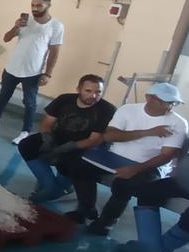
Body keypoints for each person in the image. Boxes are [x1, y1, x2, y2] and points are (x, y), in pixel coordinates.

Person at [68, 83, 188, 235]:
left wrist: (135, 169)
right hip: (115, 155)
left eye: (174, 103)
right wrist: (148, 132)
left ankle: (106, 221)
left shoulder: (179, 123)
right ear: (149, 98)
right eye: (165, 101)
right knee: (79, 168)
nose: (170, 106)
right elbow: (110, 135)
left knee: (124, 184)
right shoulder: (128, 110)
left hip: (149, 164)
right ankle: (86, 208)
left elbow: (166, 156)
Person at [0, 0, 64, 144]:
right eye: (33, 5)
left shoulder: (56, 26)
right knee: (2, 97)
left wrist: (48, 74)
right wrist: (15, 27)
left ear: (48, 5)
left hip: (32, 71)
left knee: (29, 103)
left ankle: (25, 132)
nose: (35, 8)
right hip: (12, 68)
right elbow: (6, 38)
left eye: (39, 5)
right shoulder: (24, 21)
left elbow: (54, 52)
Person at [17, 74, 116, 202]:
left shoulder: (106, 109)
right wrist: (48, 138)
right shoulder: (64, 99)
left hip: (84, 148)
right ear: (78, 89)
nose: (93, 96)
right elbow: (47, 123)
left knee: (69, 164)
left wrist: (65, 148)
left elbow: (93, 140)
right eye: (88, 91)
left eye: (98, 92)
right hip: (58, 138)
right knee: (27, 145)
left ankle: (46, 192)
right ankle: (50, 184)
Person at [117, 126, 189, 252]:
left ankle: (164, 247)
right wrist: (178, 168)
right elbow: (186, 151)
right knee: (148, 192)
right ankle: (149, 244)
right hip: (181, 181)